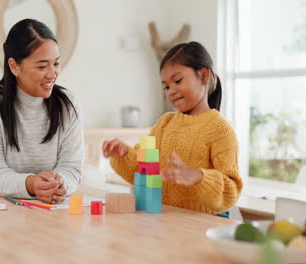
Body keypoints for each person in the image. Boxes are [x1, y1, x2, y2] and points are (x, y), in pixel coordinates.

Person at [102, 41, 242, 215]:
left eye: (177, 81)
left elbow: (231, 191)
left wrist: (199, 176)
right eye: (166, 86)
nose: (171, 91)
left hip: (200, 227)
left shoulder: (220, 130)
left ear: (204, 75)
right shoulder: (165, 123)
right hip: (165, 222)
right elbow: (142, 170)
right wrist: (123, 153)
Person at [0, 18, 84, 204]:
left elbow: (71, 168)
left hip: (38, 201)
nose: (52, 74)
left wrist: (59, 184)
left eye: (55, 64)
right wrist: (32, 184)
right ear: (14, 66)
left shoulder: (68, 104)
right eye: (42, 66)